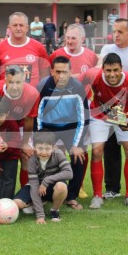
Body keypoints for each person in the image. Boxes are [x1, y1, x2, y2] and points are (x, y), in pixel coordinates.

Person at [80, 53, 128, 210]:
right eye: (108, 70)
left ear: (121, 69)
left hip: (123, 116)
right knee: (97, 151)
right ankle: (97, 195)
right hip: (100, 115)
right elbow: (78, 84)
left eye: (115, 70)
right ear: (102, 69)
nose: (112, 74)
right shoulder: (93, 75)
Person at [0, 65, 41, 210]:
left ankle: (25, 199)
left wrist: (24, 144)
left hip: (19, 126)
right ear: (4, 80)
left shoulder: (32, 93)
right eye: (11, 82)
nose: (14, 86)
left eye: (18, 82)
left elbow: (28, 121)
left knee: (27, 157)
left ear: (24, 81)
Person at [98, 19, 128, 199]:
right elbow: (99, 72)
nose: (116, 35)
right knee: (111, 147)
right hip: (112, 107)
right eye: (114, 31)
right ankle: (112, 187)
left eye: (120, 31)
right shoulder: (106, 50)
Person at [36, 56, 89, 210]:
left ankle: (71, 196)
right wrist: (39, 141)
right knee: (41, 157)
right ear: (51, 71)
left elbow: (83, 118)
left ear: (70, 72)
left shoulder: (77, 87)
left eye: (65, 72)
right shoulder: (43, 86)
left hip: (70, 127)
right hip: (48, 126)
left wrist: (77, 145)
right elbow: (37, 115)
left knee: (79, 157)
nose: (61, 76)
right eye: (57, 72)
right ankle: (44, 195)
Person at [12, 131, 72, 224]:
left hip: (52, 187)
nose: (44, 152)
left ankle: (54, 210)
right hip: (36, 187)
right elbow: (34, 186)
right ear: (34, 147)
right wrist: (40, 215)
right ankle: (36, 204)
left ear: (53, 147)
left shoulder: (58, 154)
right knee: (17, 203)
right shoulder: (32, 160)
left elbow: (69, 173)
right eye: (40, 148)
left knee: (61, 186)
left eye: (48, 149)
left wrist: (47, 180)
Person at [0, 12, 50, 88]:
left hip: (32, 98)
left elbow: (45, 71)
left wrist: (39, 90)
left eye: (21, 25)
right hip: (6, 97)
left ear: (27, 28)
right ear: (9, 28)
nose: (18, 28)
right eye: (15, 25)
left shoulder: (38, 47)